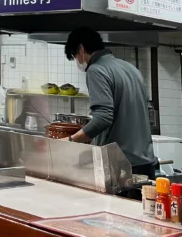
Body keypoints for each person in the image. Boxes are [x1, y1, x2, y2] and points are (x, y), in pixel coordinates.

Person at [64, 27, 158, 179]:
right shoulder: (131, 69)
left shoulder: (96, 70)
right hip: (146, 163)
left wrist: (70, 141)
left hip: (119, 166)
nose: (77, 61)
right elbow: (146, 112)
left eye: (75, 56)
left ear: (81, 49)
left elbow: (103, 118)